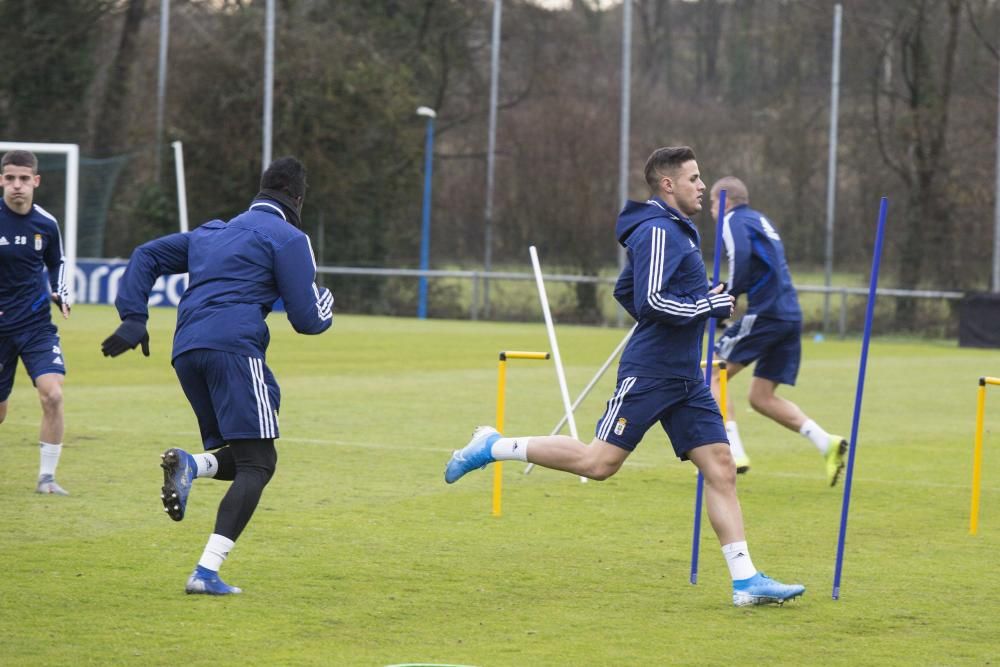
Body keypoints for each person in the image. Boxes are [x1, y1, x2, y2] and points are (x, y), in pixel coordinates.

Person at [445, 147, 805, 607]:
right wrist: (703, 307)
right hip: (651, 372)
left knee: (721, 466)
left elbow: (627, 290)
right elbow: (651, 301)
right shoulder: (658, 230)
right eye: (694, 178)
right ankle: (492, 446)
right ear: (668, 185)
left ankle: (746, 581)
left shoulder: (677, 231)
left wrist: (696, 302)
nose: (702, 186)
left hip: (685, 377)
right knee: (599, 464)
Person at [101, 157, 334, 595]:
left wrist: (134, 316)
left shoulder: (211, 232)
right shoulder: (290, 238)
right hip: (233, 347)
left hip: (187, 350)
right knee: (259, 463)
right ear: (298, 198)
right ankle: (205, 572)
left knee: (249, 440)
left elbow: (146, 254)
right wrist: (326, 302)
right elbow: (307, 320)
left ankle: (193, 464)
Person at [708, 176, 847, 486]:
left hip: (767, 313)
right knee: (761, 397)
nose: (711, 213)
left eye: (712, 206)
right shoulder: (760, 219)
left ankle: (731, 453)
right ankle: (827, 443)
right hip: (788, 315)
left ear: (723, 201)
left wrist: (727, 296)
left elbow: (741, 257)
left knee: (711, 373)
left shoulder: (732, 221)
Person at [0, 150, 72, 496]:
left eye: (24, 179)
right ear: (1, 179)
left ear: (36, 182)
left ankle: (47, 478)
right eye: (10, 178)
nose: (17, 185)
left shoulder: (46, 223)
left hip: (35, 326)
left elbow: (57, 262)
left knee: (53, 395)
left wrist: (60, 293)